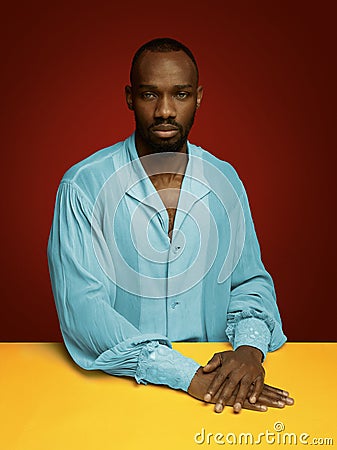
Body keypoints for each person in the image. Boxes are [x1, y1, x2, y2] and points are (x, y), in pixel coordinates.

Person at [48, 37, 294, 413]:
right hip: (121, 392)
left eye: (179, 95)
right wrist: (187, 375)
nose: (165, 110)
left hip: (220, 395)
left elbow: (248, 282)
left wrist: (249, 351)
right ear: (130, 97)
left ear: (198, 97)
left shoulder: (224, 180)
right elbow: (84, 311)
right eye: (150, 95)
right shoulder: (82, 186)